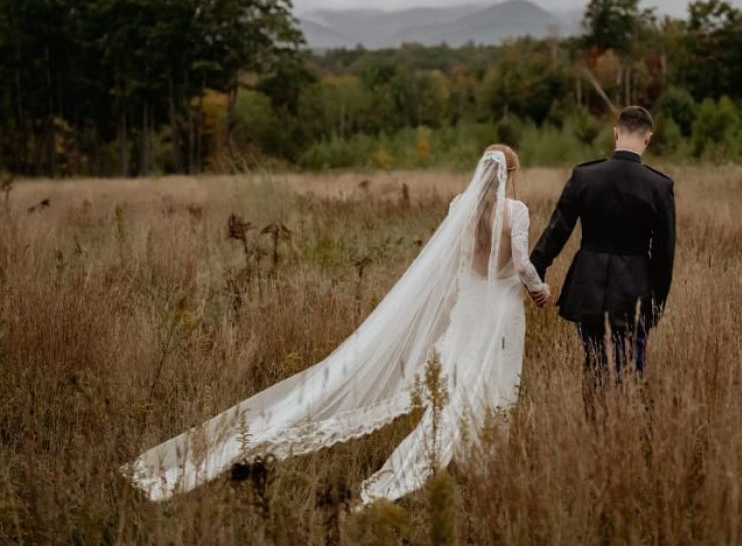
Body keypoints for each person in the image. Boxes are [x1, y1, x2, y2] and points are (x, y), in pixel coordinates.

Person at [123, 145, 550, 505]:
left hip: (470, 304)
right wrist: (539, 291)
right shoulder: (518, 210)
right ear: (511, 175)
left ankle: (469, 453)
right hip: (498, 307)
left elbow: (455, 263)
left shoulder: (460, 206)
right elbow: (521, 262)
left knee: (457, 377)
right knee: (492, 378)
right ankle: (481, 459)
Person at [529, 106, 676, 405]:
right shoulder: (659, 187)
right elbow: (664, 254)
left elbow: (558, 228)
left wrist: (537, 269)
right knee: (629, 371)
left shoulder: (585, 176)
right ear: (648, 138)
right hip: (635, 291)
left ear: (615, 133)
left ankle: (595, 425)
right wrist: (656, 307)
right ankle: (623, 428)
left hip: (588, 288)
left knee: (594, 365)